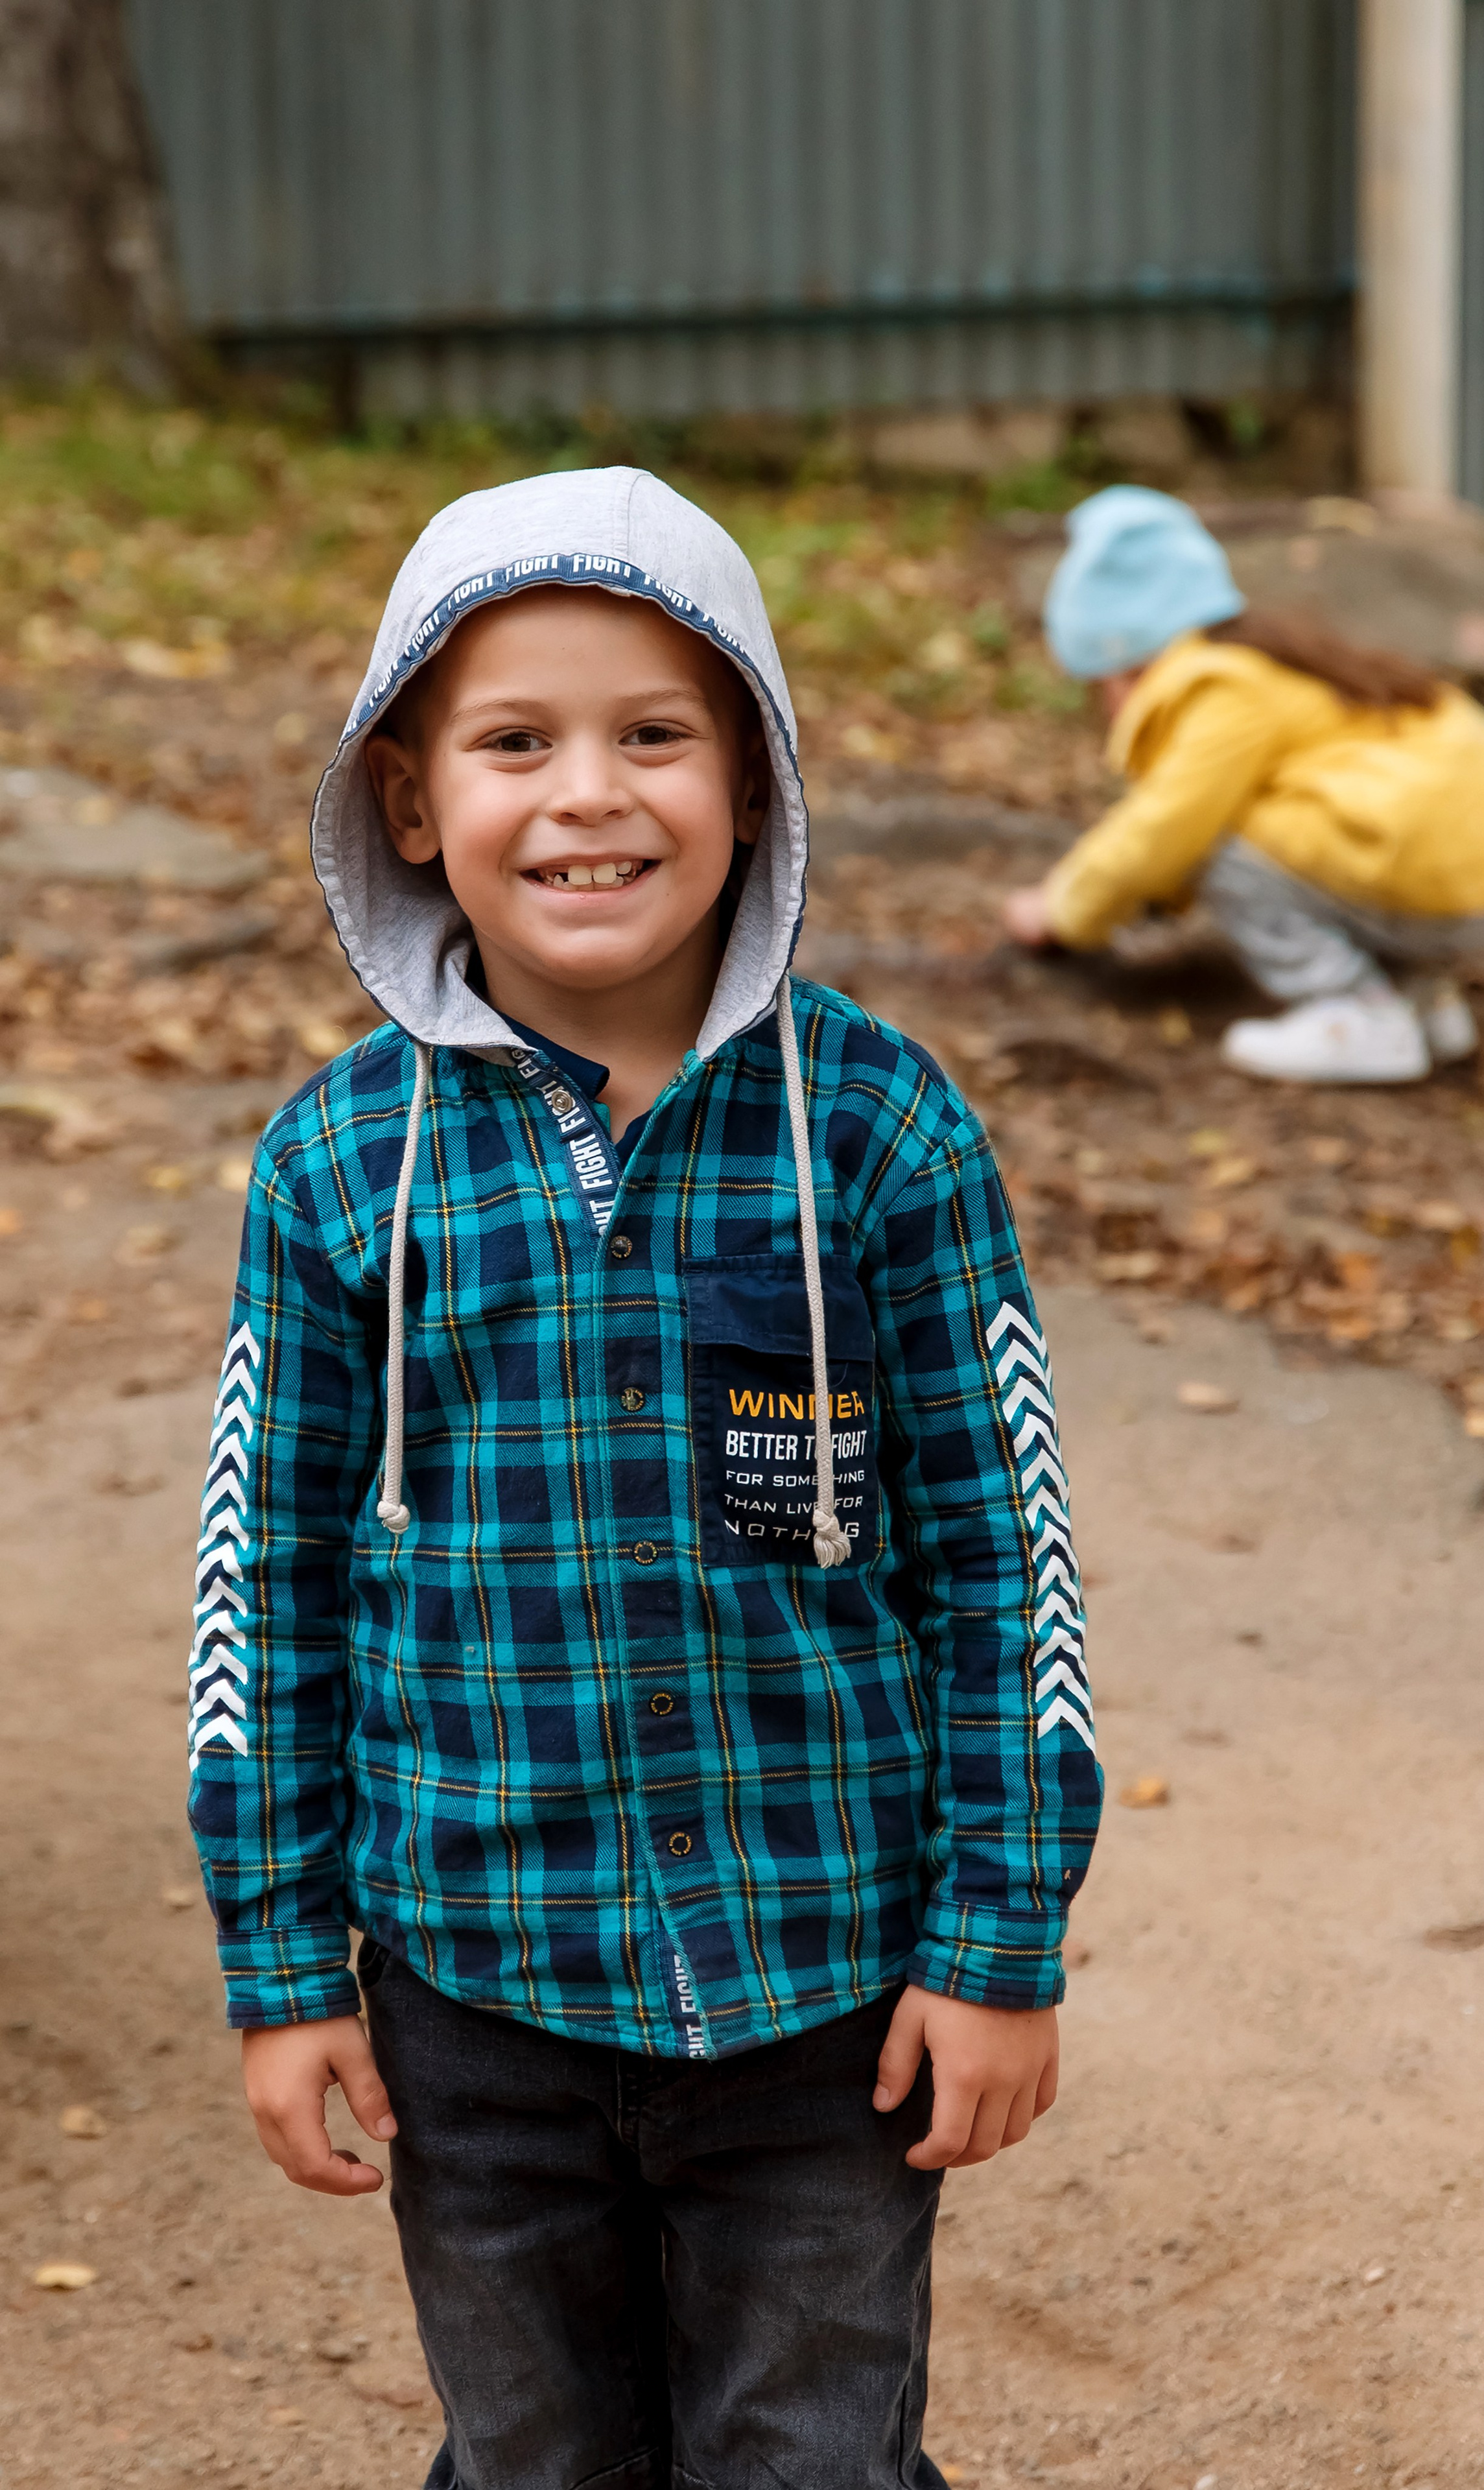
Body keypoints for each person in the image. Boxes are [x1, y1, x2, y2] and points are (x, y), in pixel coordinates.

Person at [187, 468, 1103, 2490]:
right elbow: (263, 1588)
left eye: (656, 735)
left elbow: (1008, 1562)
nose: (587, 795)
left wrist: (996, 1939)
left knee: (813, 2456)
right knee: (535, 2453)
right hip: (474, 1993)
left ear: (754, 780)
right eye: (516, 742)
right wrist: (282, 1959)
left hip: (822, 1989)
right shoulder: (337, 1164)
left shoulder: (880, 1128)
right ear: (409, 799)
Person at [1002, 486, 1484, 1084]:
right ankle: (1424, 1006)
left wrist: (1060, 909)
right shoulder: (1281, 668)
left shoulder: (1223, 689)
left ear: (1125, 662)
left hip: (1456, 891)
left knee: (1222, 843)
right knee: (1310, 831)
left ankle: (1358, 1015)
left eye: (1100, 684)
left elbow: (1161, 830)